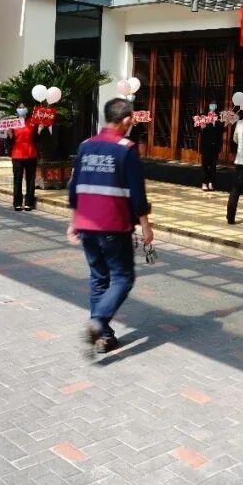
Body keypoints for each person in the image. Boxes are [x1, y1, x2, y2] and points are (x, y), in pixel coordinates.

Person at [67, 98, 153, 356]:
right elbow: (138, 196)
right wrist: (146, 227)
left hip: (86, 224)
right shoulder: (126, 149)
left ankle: (104, 337)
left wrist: (73, 222)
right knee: (123, 278)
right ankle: (98, 322)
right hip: (114, 226)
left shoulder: (85, 146)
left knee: (98, 278)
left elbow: (74, 187)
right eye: (131, 120)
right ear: (126, 120)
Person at [6, 102, 39, 212]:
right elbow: (9, 142)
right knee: (17, 179)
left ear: (27, 109)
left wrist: (39, 130)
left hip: (31, 154)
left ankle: (29, 203)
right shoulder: (13, 123)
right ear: (16, 109)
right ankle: (17, 203)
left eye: (23, 107)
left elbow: (37, 140)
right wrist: (10, 135)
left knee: (31, 179)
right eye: (20, 107)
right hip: (17, 154)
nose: (22, 109)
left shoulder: (32, 122)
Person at [199, 101, 222, 191]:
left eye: (214, 104)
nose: (213, 106)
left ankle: (211, 183)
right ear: (208, 106)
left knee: (213, 165)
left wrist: (225, 124)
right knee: (205, 164)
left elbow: (222, 130)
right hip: (205, 144)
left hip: (215, 144)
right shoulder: (203, 116)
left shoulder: (219, 116)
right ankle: (204, 183)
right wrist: (202, 127)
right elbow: (197, 129)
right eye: (211, 104)